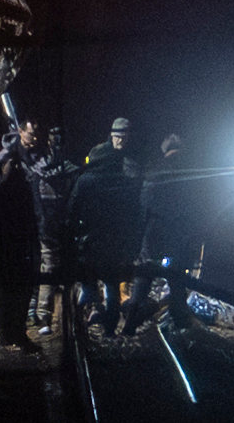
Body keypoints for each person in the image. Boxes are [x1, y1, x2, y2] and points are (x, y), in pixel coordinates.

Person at [0, 119, 73, 336]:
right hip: (19, 220)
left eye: (37, 134)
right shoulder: (9, 153)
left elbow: (50, 181)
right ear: (20, 132)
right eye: (30, 134)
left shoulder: (43, 155)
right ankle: (30, 311)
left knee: (45, 264)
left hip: (40, 217)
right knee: (29, 265)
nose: (34, 139)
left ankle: (38, 311)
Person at [69, 117, 144, 336]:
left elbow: (73, 207)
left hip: (91, 237)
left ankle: (90, 312)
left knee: (89, 277)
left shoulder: (86, 180)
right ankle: (110, 328)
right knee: (111, 283)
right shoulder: (124, 178)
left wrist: (72, 230)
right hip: (114, 237)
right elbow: (133, 209)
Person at [122, 133, 196, 335]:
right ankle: (182, 326)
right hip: (175, 238)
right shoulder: (188, 174)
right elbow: (193, 211)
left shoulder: (155, 171)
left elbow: (142, 208)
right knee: (177, 283)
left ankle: (129, 327)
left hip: (153, 236)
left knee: (143, 280)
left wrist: (140, 239)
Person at [0, 157, 39, 349]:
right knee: (9, 294)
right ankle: (9, 334)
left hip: (14, 251)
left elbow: (31, 223)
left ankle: (14, 333)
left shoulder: (18, 194)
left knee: (15, 293)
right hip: (9, 251)